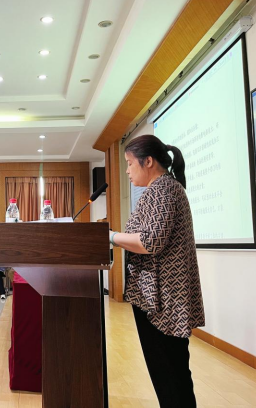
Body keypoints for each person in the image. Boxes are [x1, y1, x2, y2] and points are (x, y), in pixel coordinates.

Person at [109, 135, 205, 408]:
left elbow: (150, 241)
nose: (127, 171)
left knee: (170, 376)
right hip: (160, 298)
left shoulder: (163, 189)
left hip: (163, 301)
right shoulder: (162, 189)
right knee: (170, 375)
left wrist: (111, 236)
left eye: (130, 163)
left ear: (148, 161)